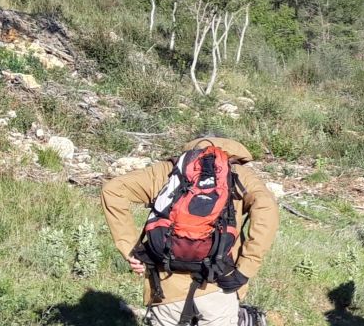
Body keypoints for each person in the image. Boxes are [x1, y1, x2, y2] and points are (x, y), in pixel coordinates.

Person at [102, 137, 280, 326]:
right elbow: (266, 207)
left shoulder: (169, 170)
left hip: (166, 287)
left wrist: (131, 249)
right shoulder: (239, 174)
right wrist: (246, 267)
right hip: (220, 284)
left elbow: (112, 190)